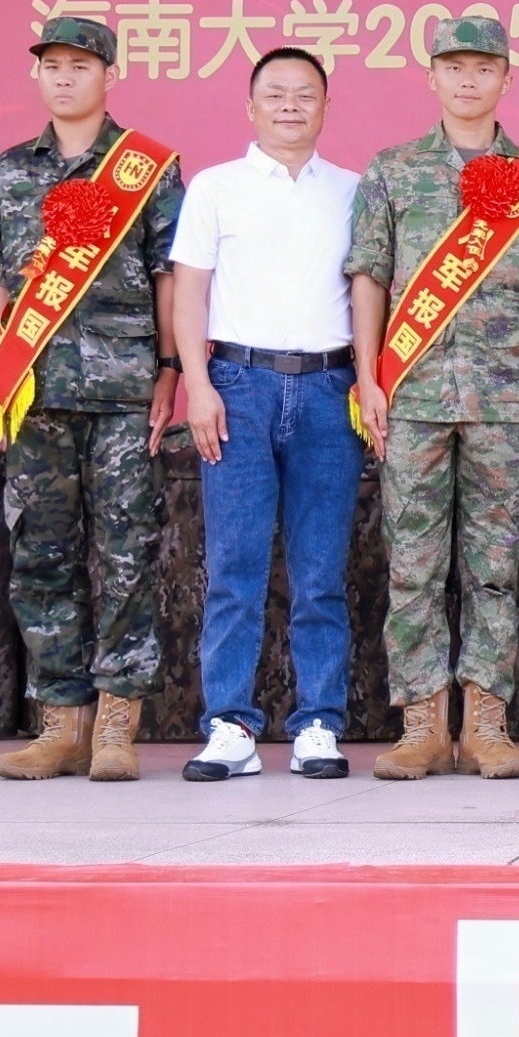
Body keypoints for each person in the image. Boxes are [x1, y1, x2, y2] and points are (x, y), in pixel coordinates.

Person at [350, 14, 519, 781]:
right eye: (454, 66)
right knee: (412, 564)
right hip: (411, 393)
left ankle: (486, 724)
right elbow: (370, 275)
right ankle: (421, 725)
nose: (468, 80)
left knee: (495, 565)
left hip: (503, 393)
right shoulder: (393, 170)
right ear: (432, 76)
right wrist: (368, 374)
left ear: (507, 77)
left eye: (483, 67)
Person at [0, 14, 185, 784]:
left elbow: (168, 273)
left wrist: (170, 368)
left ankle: (117, 725)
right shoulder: (9, 171)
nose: (64, 77)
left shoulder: (147, 167)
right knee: (41, 554)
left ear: (108, 75)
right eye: (52, 65)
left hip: (124, 388)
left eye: (80, 66)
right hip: (34, 393)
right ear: (37, 74)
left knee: (127, 553)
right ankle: (61, 723)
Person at [168, 47, 365, 782]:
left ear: (326, 107)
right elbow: (189, 292)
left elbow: (370, 295)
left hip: (328, 389)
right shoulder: (215, 188)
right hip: (237, 387)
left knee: (321, 570)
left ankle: (318, 723)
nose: (290, 105)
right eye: (275, 94)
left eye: (305, 94)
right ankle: (229, 724)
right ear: (250, 108)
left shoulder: (353, 191)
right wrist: (198, 384)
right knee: (235, 567)